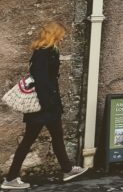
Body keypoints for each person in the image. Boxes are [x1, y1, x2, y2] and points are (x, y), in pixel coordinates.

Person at [1, 23, 88, 190]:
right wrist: (48, 105)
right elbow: (41, 81)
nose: (64, 37)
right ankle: (10, 178)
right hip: (43, 107)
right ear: (54, 34)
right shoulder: (43, 53)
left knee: (56, 136)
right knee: (29, 141)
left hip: (47, 106)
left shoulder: (50, 51)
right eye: (62, 34)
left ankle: (67, 169)